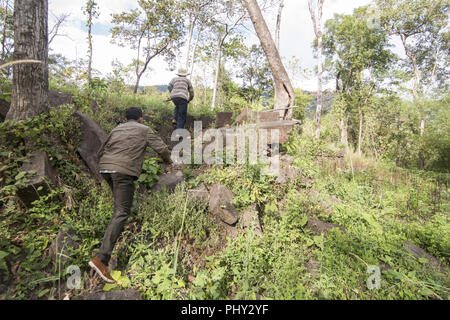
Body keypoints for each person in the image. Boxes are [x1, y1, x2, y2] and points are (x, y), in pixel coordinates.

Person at [88, 107, 172, 283]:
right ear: (141, 118)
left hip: (105, 168)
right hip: (122, 171)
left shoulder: (116, 129)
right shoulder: (144, 130)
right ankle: (101, 259)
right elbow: (161, 148)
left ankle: (117, 226)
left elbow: (101, 150)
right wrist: (168, 161)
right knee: (122, 212)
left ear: (126, 118)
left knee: (120, 208)